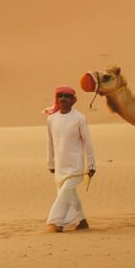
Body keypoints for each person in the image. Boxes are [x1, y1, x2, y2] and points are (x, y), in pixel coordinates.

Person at [44, 84, 96, 231]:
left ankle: (56, 222)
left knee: (65, 193)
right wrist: (50, 163)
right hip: (60, 166)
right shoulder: (51, 119)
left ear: (73, 100)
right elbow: (50, 142)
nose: (63, 98)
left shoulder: (79, 118)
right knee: (68, 194)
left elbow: (88, 142)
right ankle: (81, 221)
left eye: (67, 96)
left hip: (75, 166)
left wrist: (91, 165)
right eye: (60, 96)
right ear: (57, 99)